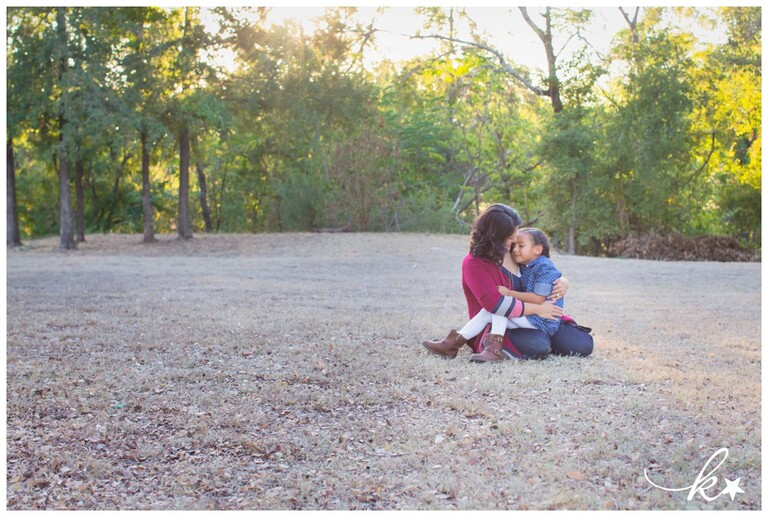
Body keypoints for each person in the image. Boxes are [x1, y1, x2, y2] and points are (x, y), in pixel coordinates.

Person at [422, 204, 593, 361]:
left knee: (582, 344)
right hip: (501, 320)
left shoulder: (514, 253)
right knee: (538, 345)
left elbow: (543, 269)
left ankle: (452, 344)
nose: (513, 242)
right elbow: (495, 304)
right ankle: (476, 345)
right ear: (496, 236)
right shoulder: (474, 263)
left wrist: (563, 281)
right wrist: (539, 308)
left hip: (535, 317)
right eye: (510, 237)